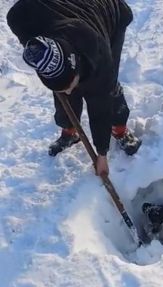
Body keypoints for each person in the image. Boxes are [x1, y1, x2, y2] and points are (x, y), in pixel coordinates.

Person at [6, 0, 142, 176]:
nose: (69, 92)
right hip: (63, 9)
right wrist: (34, 47)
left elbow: (100, 105)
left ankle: (119, 128)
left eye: (70, 84)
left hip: (108, 11)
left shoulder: (98, 52)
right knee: (64, 89)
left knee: (108, 86)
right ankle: (70, 130)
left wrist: (101, 154)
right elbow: (15, 14)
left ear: (77, 64)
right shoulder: (23, 19)